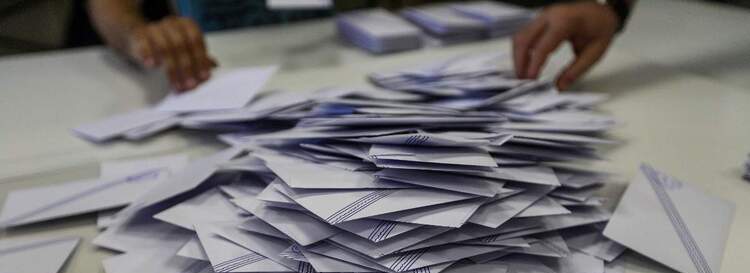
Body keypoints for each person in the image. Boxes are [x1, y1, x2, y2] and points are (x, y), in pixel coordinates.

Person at [86, 0, 635, 92]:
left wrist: (609, 4)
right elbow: (109, 7)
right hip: (210, 79)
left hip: (344, 75)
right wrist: (139, 35)